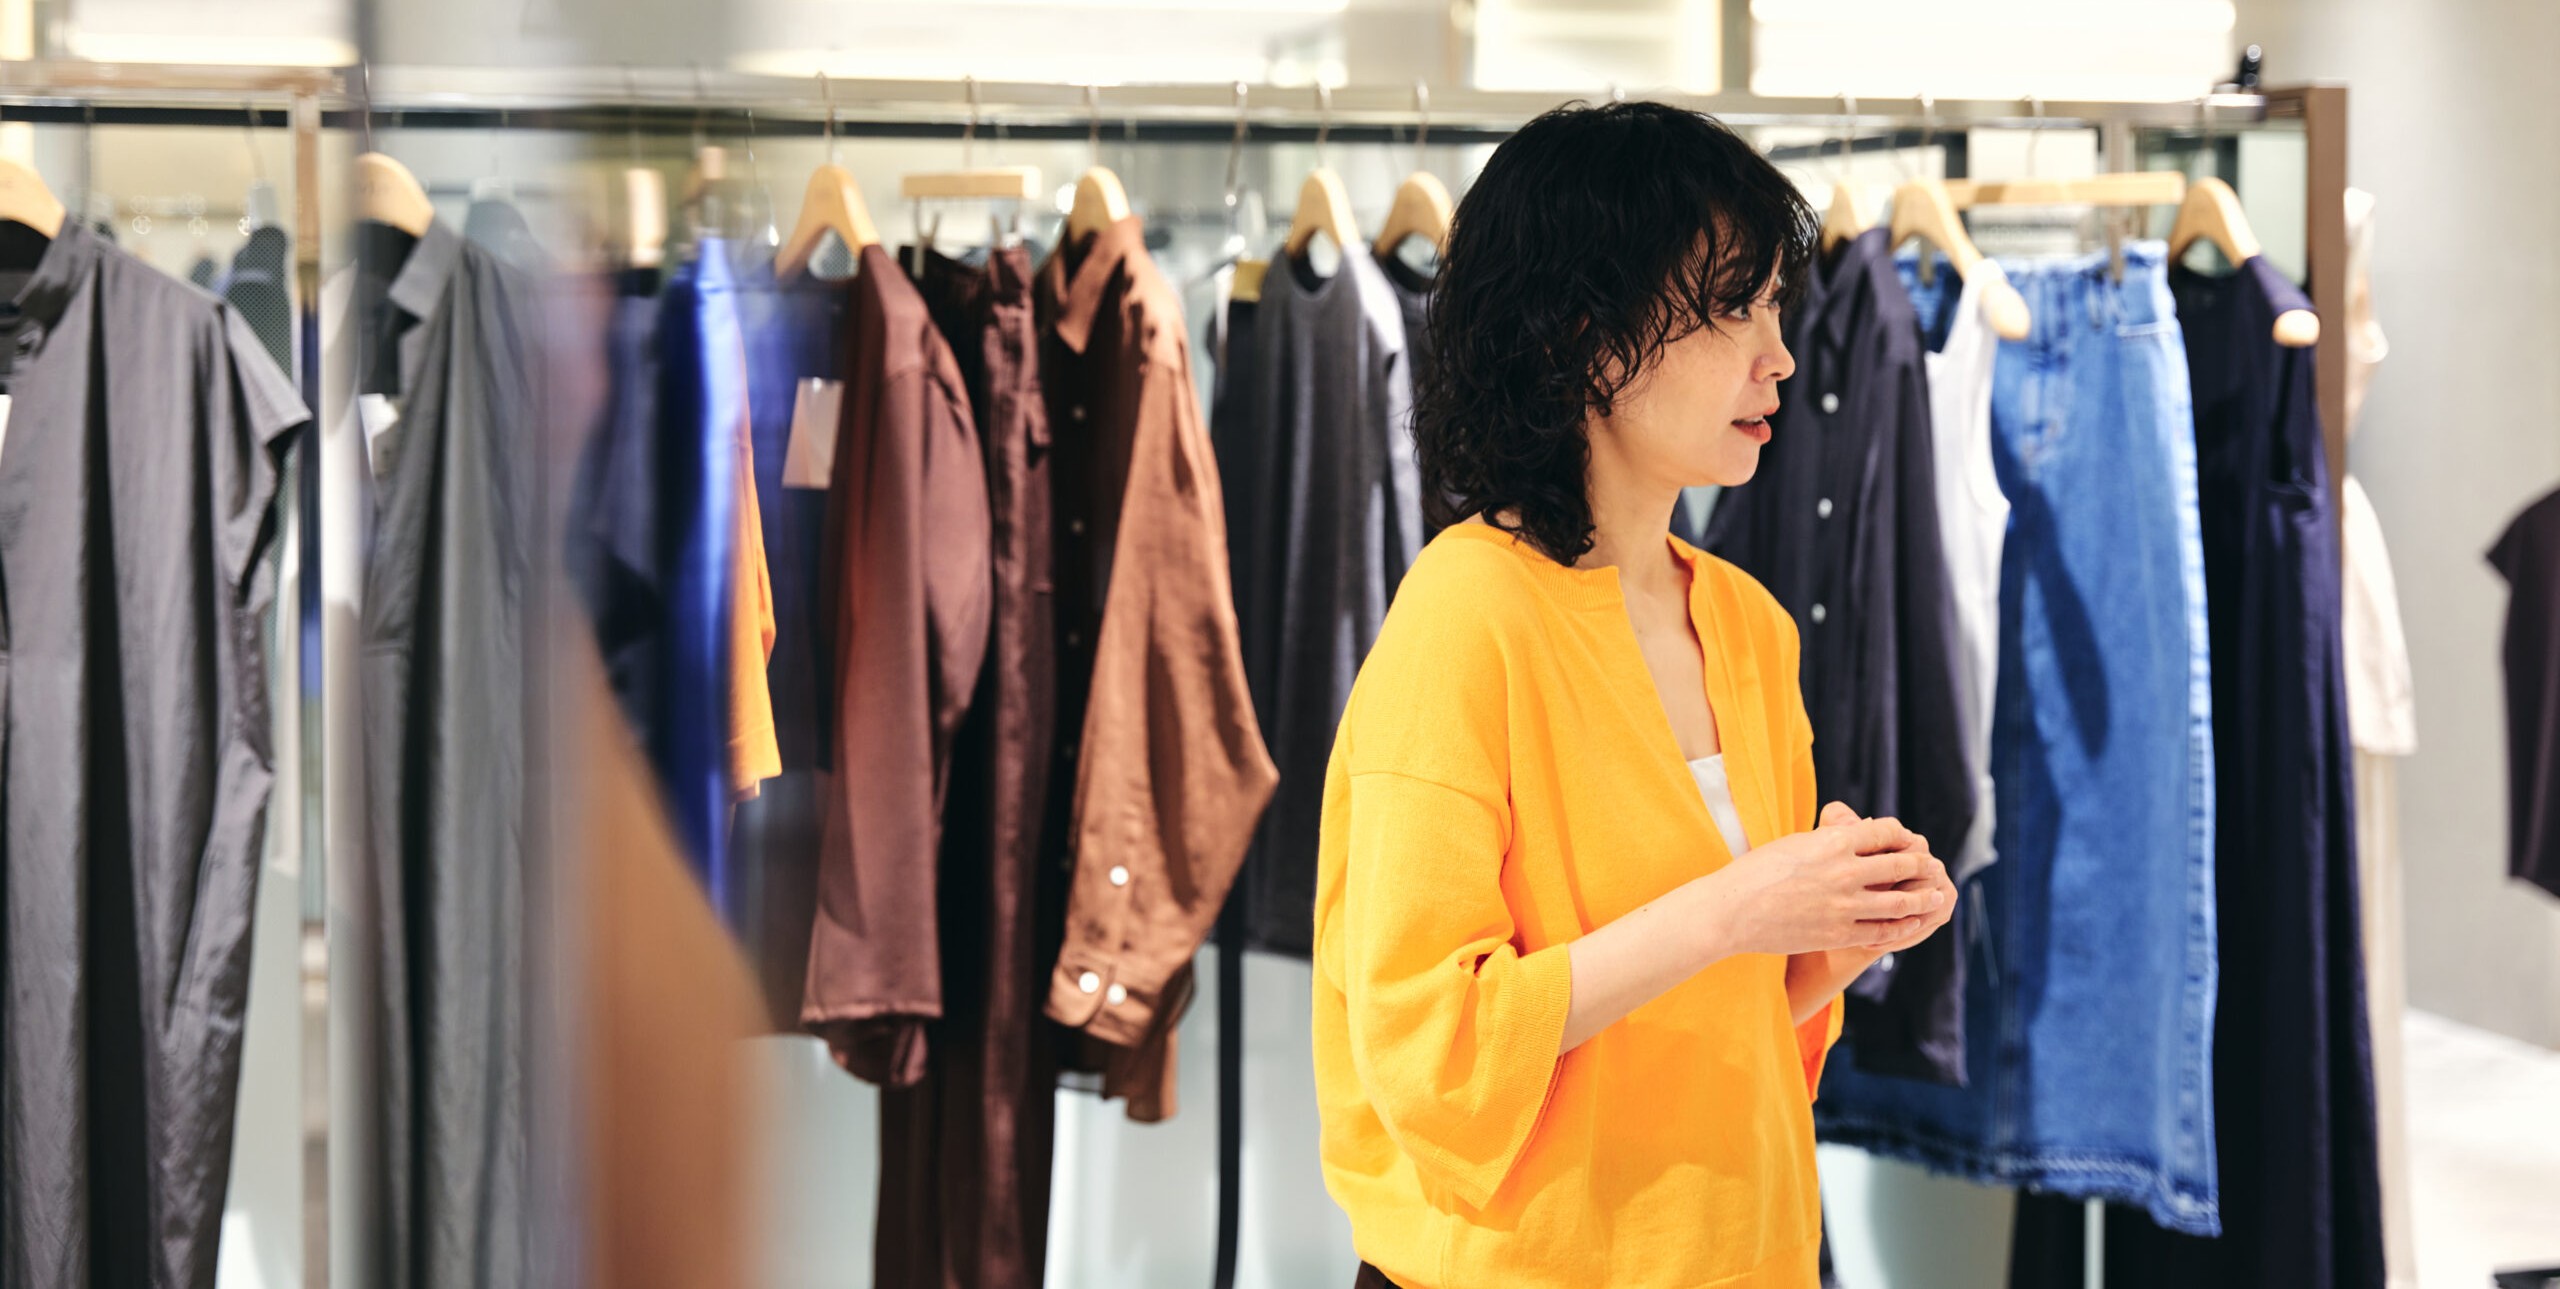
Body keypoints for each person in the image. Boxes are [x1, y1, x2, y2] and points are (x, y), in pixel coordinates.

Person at [1309, 100, 1960, 1288]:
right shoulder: (1466, 613)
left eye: (1775, 305)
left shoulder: (1748, 625)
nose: (1777, 354)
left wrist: (1835, 934)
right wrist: (1738, 904)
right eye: (1729, 308)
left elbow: (1718, 1017)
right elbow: (1428, 1047)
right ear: (1582, 333)